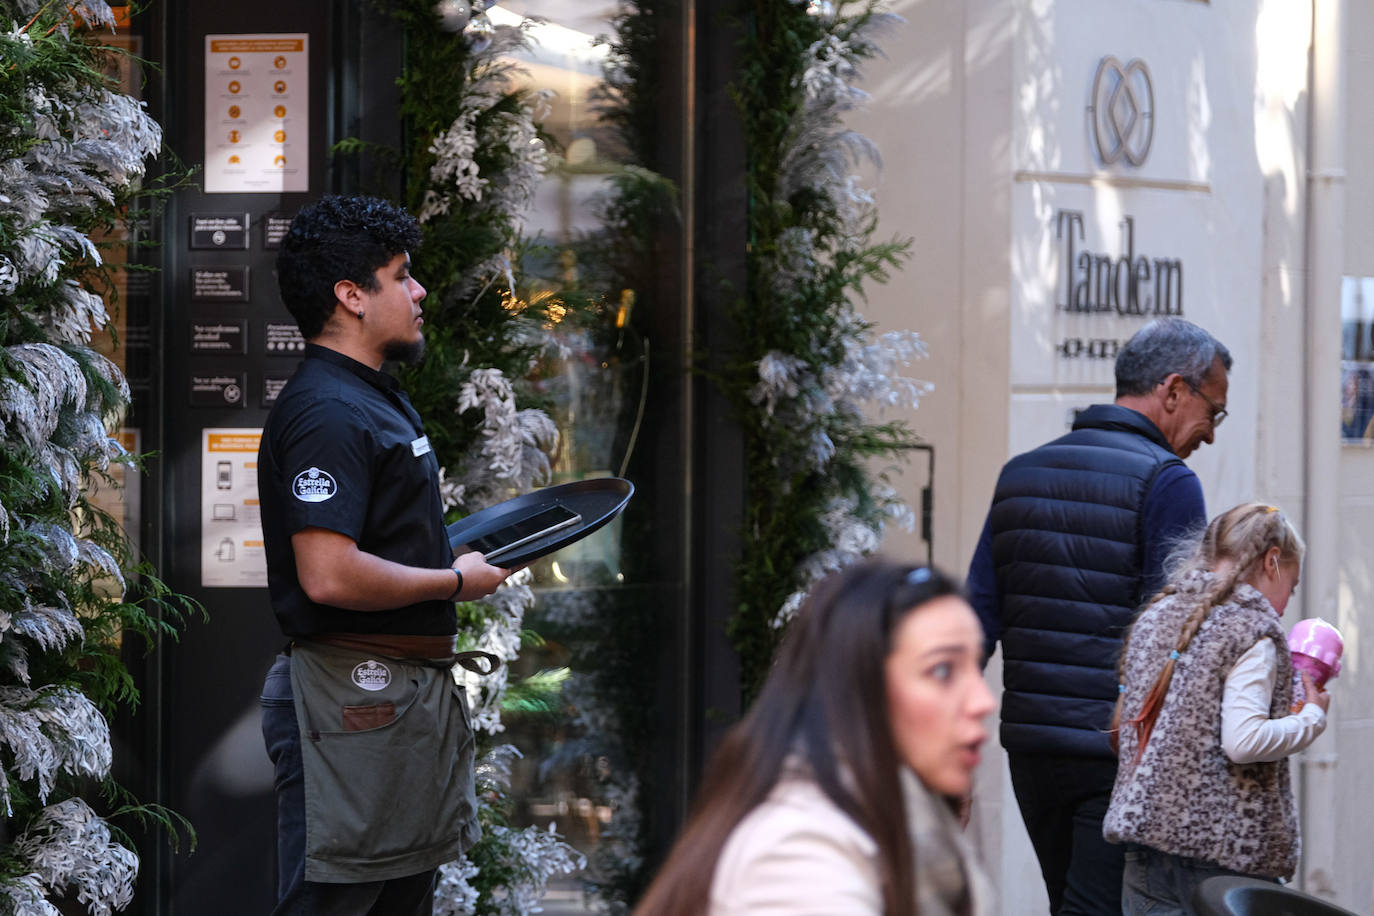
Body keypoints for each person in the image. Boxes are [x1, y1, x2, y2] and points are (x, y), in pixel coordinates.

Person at [257, 194, 514, 915]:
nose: (419, 291)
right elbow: (328, 573)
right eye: (402, 275)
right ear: (351, 295)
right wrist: (455, 582)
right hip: (349, 696)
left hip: (395, 694)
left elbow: (383, 540)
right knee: (333, 903)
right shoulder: (327, 412)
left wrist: (463, 553)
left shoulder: (374, 397)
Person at [965, 316, 1232, 914]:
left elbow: (974, 620)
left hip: (1031, 749)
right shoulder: (1169, 481)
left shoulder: (1020, 474)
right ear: (1171, 390)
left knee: (1071, 901)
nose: (1210, 434)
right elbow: (1175, 634)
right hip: (1113, 756)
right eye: (1212, 411)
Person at [633, 560, 997, 916]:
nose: (983, 701)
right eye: (943, 670)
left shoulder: (907, 816)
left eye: (975, 665)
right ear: (859, 689)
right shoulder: (799, 852)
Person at [1104, 503, 1328, 913]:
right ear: (1272, 562)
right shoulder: (1251, 630)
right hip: (1223, 856)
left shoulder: (1155, 616)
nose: (1284, 606)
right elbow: (1243, 742)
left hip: (1145, 851)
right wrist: (1311, 717)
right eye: (1290, 588)